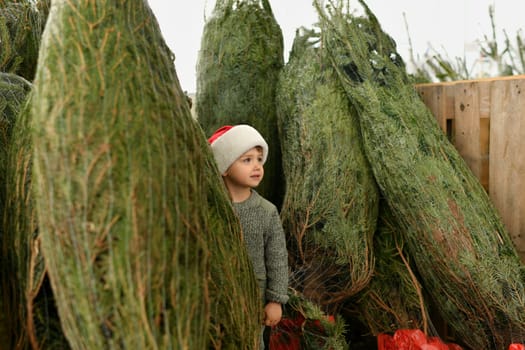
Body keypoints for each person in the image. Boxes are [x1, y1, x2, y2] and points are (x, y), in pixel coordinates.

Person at [208, 124, 289, 349]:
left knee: (251, 342)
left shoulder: (266, 211)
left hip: (255, 296)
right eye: (247, 160)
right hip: (216, 295)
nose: (257, 166)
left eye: (259, 159)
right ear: (224, 167)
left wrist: (275, 300)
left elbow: (277, 259)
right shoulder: (211, 210)